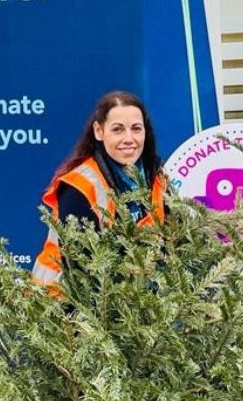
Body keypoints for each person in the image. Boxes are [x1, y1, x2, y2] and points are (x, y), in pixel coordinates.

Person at [31, 91, 167, 293]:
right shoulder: (78, 186)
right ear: (99, 131)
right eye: (118, 130)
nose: (129, 139)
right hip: (64, 306)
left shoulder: (156, 177)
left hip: (134, 301)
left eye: (136, 129)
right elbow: (81, 270)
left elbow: (172, 239)